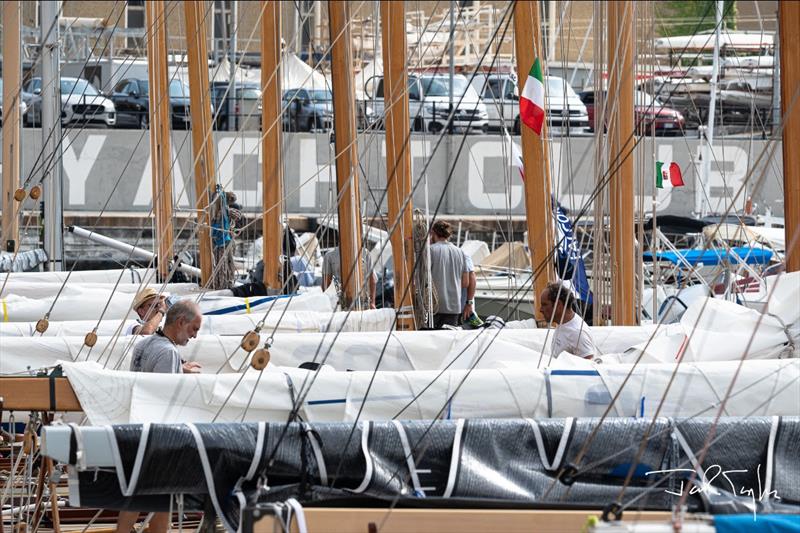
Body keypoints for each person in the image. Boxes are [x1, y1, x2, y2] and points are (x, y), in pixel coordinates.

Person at [116, 301, 203, 533]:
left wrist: (180, 368)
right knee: (157, 496)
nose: (194, 336)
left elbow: (147, 377)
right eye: (194, 329)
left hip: (138, 429)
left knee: (152, 497)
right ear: (181, 322)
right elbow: (164, 399)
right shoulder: (168, 352)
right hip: (158, 436)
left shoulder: (145, 345)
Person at [539, 281, 597, 359]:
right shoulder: (563, 323)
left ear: (558, 305)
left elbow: (589, 366)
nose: (540, 310)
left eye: (544, 305)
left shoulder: (577, 333)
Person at [428, 220, 469, 329]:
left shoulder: (430, 251)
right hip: (454, 307)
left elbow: (422, 279)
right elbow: (465, 283)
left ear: (433, 233)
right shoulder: (460, 252)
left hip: (434, 307)